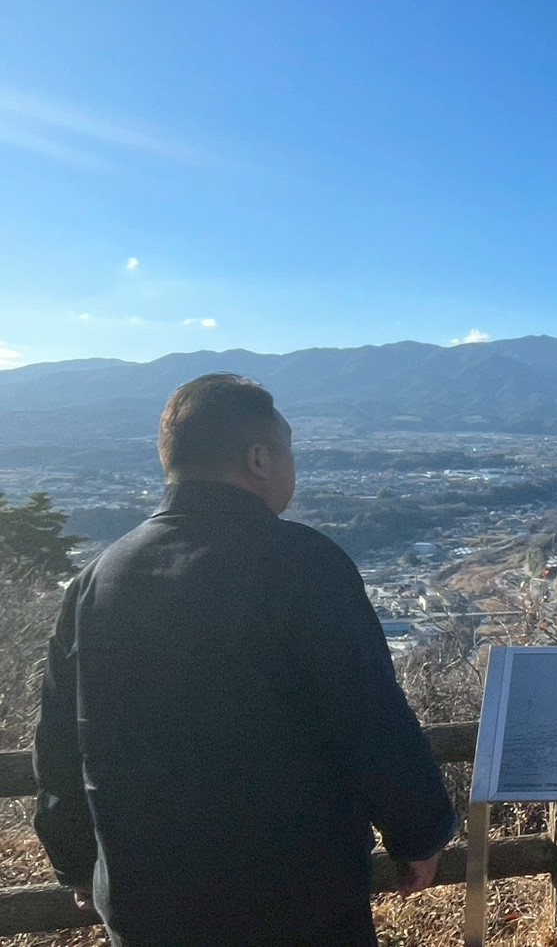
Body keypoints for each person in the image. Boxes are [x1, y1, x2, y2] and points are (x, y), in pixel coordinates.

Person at [33, 373, 457, 947]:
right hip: (293, 893)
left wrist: (77, 862)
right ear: (259, 458)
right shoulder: (303, 563)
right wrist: (419, 834)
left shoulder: (100, 577)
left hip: (143, 894)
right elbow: (368, 716)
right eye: (289, 451)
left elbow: (60, 740)